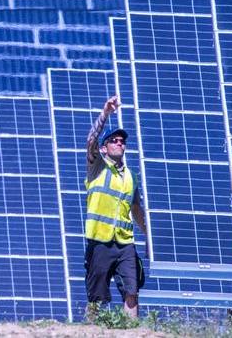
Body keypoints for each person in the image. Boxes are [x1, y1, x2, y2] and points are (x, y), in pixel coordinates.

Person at [84, 95, 147, 320]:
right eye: (114, 140)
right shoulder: (96, 166)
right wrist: (105, 114)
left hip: (124, 242)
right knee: (96, 296)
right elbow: (90, 141)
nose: (119, 143)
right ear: (104, 148)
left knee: (132, 289)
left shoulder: (131, 177)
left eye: (122, 141)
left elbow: (137, 208)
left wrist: (148, 234)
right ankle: (90, 331)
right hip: (100, 240)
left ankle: (131, 332)